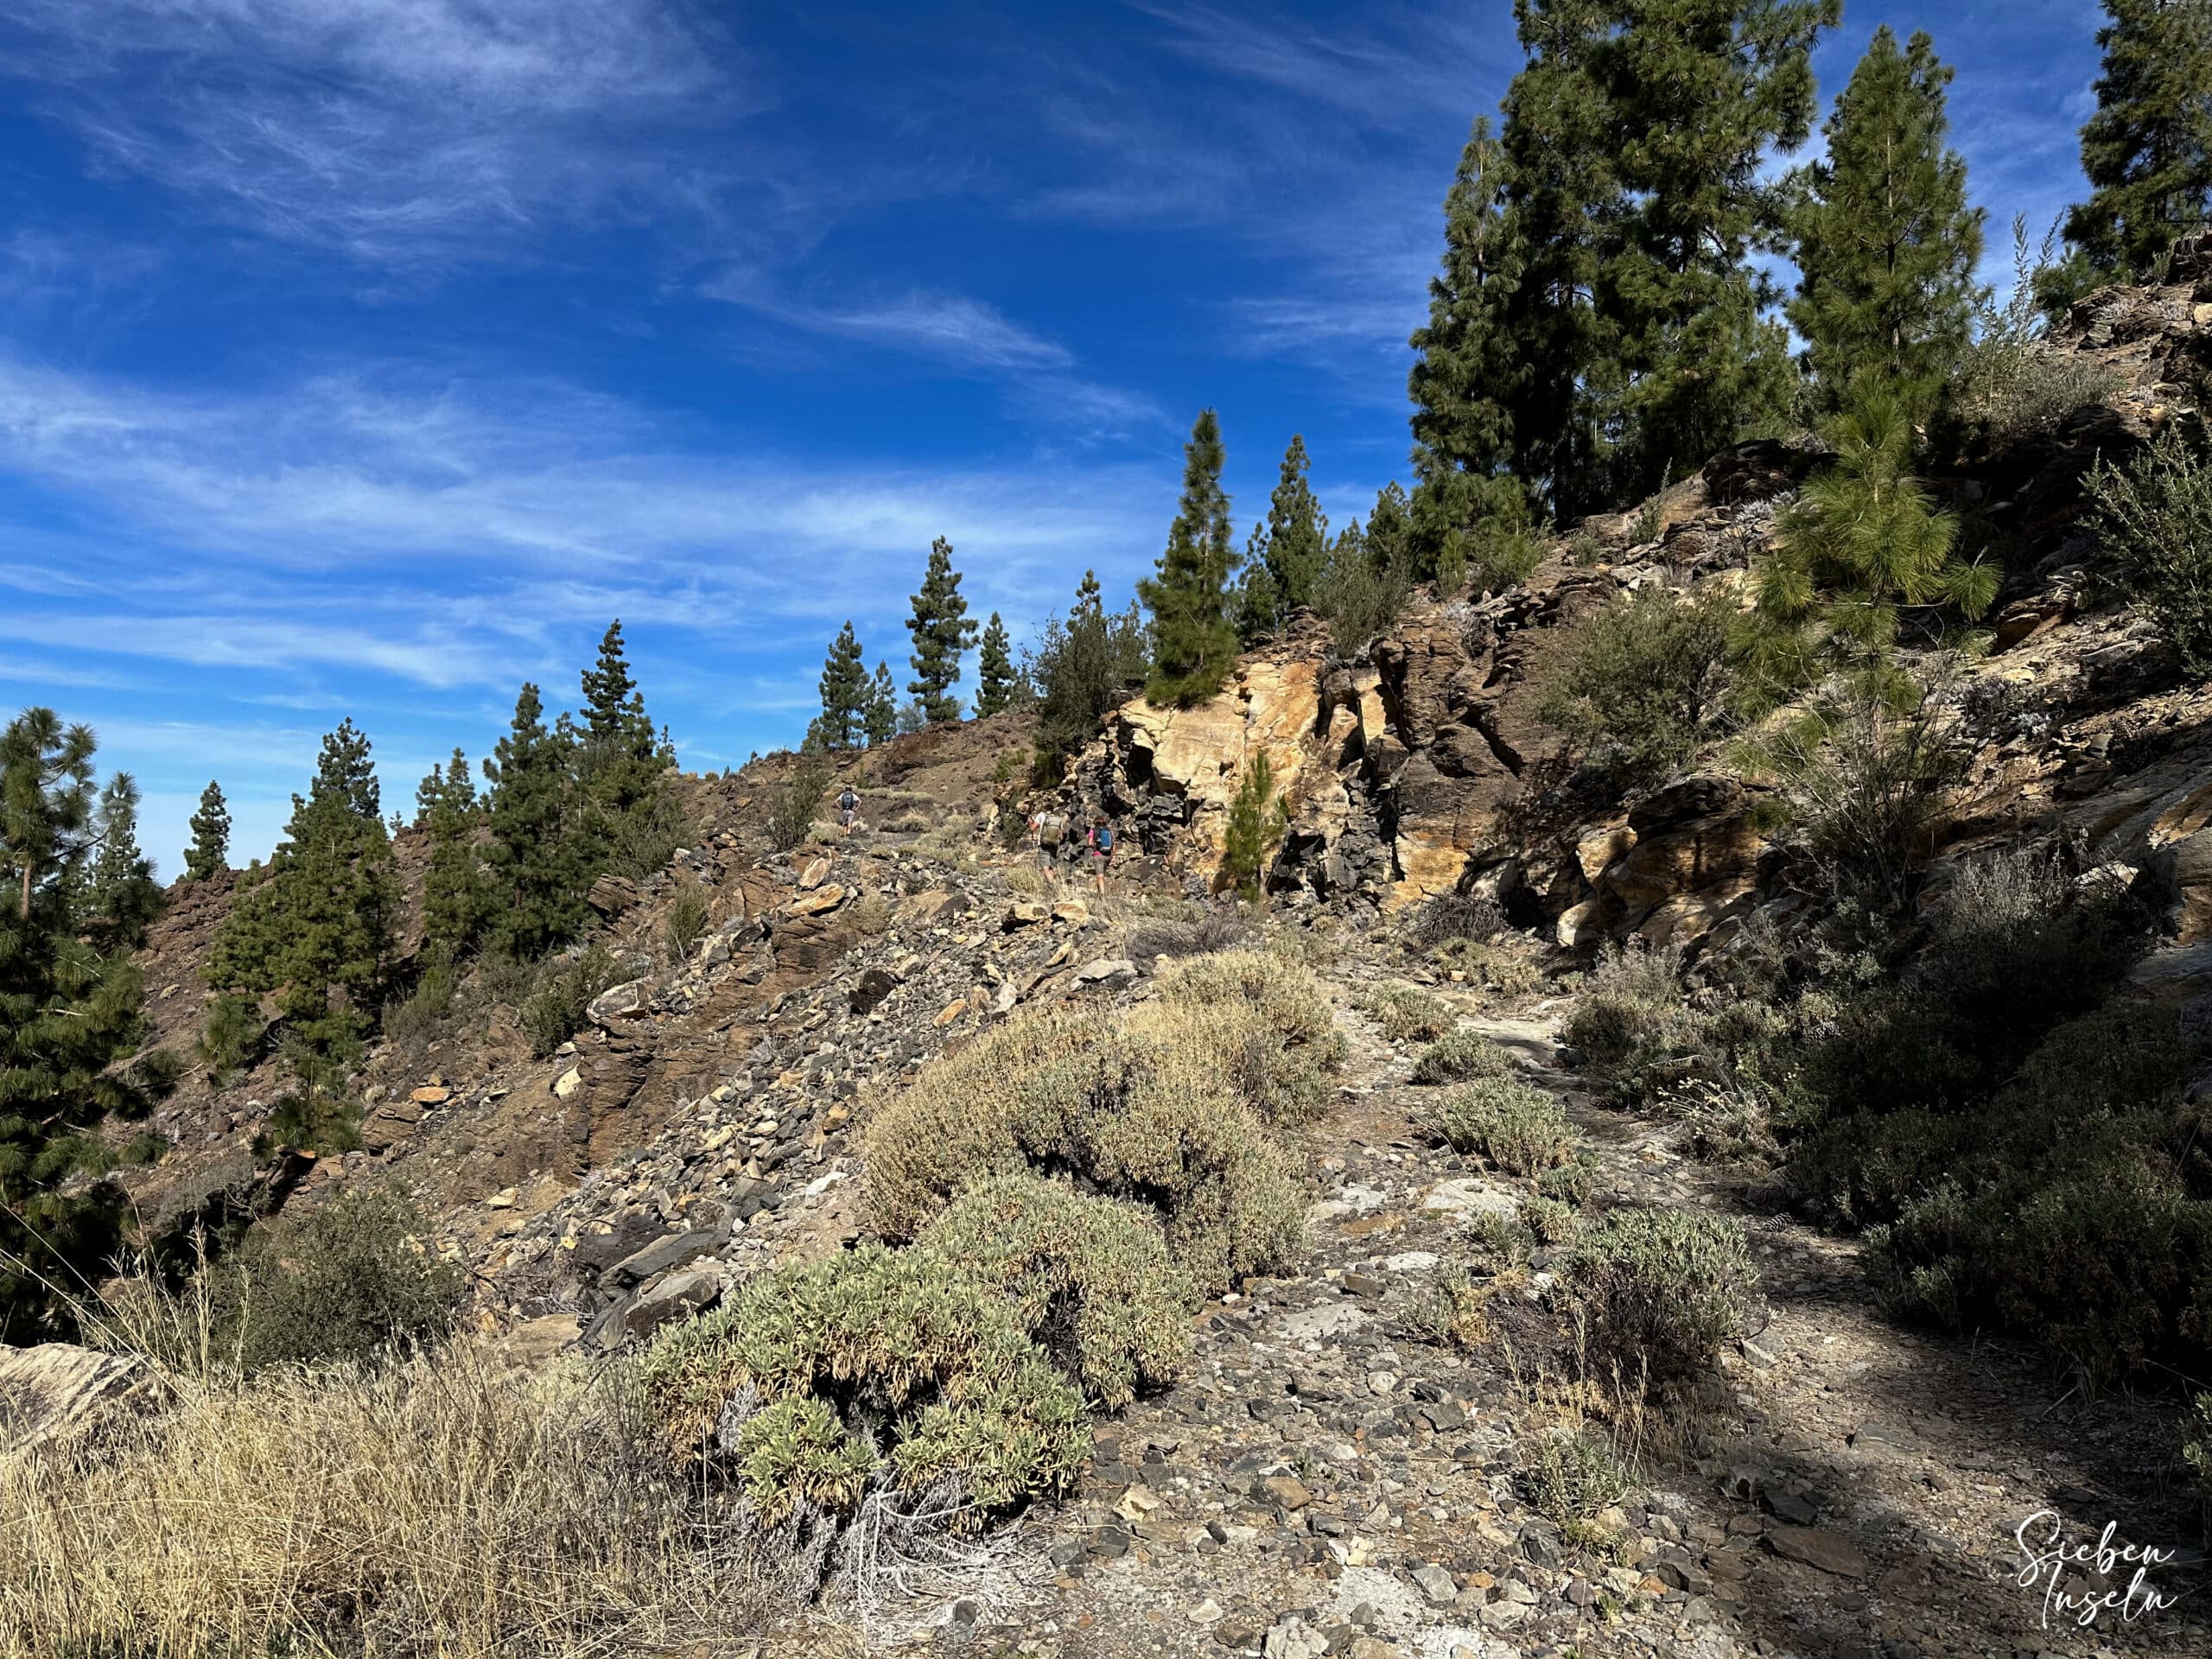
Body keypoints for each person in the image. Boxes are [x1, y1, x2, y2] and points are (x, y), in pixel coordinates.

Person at [1030, 809, 1060, 887]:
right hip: (1054, 844)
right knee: (1052, 867)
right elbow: (1061, 834)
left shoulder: (1041, 815)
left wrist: (1030, 822)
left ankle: (1054, 886)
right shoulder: (1057, 817)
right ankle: (1052, 884)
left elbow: (1032, 828)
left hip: (1043, 844)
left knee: (1045, 867)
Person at [1088, 811, 1114, 896]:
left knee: (1099, 875)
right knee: (1103, 874)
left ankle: (1102, 894)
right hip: (1108, 856)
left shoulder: (1093, 830)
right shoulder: (1110, 831)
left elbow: (1090, 843)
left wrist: (1095, 845)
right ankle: (1099, 893)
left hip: (1098, 855)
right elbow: (1113, 844)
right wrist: (1113, 856)